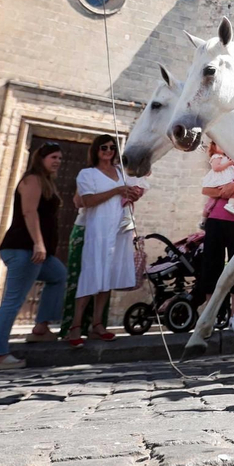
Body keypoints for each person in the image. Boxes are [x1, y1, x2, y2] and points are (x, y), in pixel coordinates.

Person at [0, 142, 68, 369]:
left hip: (37, 252)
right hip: (23, 248)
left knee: (58, 275)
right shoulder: (32, 180)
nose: (57, 161)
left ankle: (41, 328)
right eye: (53, 157)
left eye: (59, 158)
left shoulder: (47, 182)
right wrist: (39, 243)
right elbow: (29, 212)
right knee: (13, 301)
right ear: (41, 159)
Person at [69, 134, 141, 346]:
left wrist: (131, 194)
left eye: (112, 147)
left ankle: (98, 325)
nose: (108, 151)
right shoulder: (87, 174)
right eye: (104, 147)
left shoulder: (121, 172)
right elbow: (87, 200)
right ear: (96, 150)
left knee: (107, 277)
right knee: (90, 274)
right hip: (97, 230)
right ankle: (76, 325)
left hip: (118, 230)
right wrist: (117, 190)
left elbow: (126, 195)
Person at [198, 142, 234, 334]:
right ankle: (210, 315)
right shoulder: (219, 164)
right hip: (216, 219)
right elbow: (206, 189)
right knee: (212, 265)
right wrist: (227, 189)